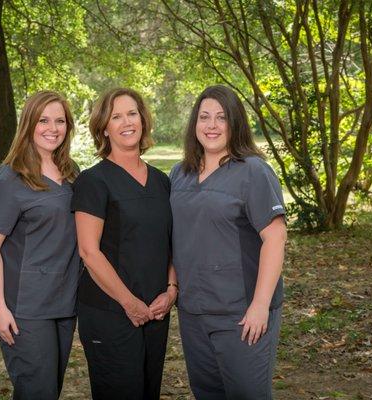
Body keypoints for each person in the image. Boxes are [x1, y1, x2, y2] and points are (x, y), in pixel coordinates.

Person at [169, 85, 287, 399]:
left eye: (221, 117)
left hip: (242, 312)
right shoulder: (178, 175)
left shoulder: (253, 172)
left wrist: (260, 306)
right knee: (207, 393)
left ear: (235, 124)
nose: (211, 125)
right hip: (194, 312)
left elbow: (275, 237)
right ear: (194, 124)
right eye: (204, 117)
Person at [71, 87, 177, 400]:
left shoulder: (162, 181)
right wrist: (129, 303)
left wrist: (171, 291)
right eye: (116, 116)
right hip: (111, 313)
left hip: (156, 312)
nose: (126, 121)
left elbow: (172, 243)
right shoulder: (93, 181)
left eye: (132, 113)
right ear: (104, 127)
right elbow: (89, 252)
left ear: (143, 121)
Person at [0, 90, 80, 400]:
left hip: (65, 301)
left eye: (60, 121)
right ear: (28, 124)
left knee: (50, 390)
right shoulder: (10, 178)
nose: (53, 128)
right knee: (38, 391)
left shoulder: (71, 174)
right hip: (24, 307)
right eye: (43, 120)